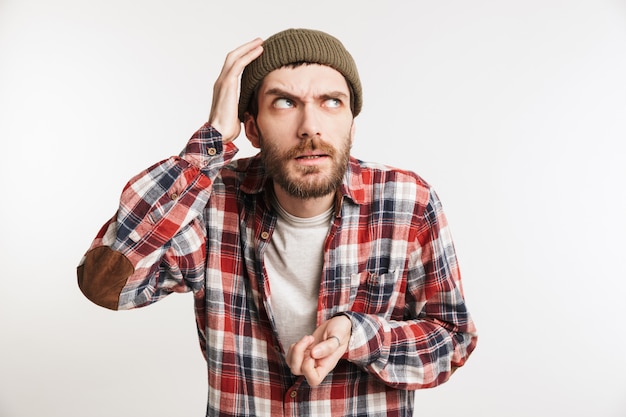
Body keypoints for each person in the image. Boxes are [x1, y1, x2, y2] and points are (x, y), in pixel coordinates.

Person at [77, 28, 478, 417]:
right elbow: (107, 283)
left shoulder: (408, 202)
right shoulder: (211, 201)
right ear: (252, 127)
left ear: (353, 124)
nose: (310, 127)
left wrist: (357, 335)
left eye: (332, 102)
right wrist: (210, 142)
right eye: (285, 102)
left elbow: (452, 340)